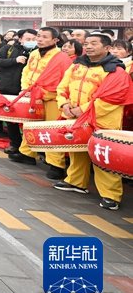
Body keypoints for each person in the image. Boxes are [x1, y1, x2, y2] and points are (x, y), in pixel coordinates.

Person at [54, 33, 133, 210]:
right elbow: (62, 87)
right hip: (75, 116)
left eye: (94, 43)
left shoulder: (116, 71)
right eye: (87, 43)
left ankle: (111, 195)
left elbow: (110, 100)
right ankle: (76, 182)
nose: (88, 46)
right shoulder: (76, 65)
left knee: (103, 156)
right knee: (77, 150)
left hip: (102, 122)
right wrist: (64, 104)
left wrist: (80, 110)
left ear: (107, 48)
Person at [7, 27, 73, 179]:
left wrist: (45, 93)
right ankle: (27, 153)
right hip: (32, 95)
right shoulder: (35, 53)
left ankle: (56, 164)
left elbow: (64, 81)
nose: (40, 39)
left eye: (44, 37)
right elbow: (27, 71)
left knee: (51, 130)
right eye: (39, 36)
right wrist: (25, 88)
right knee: (30, 125)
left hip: (51, 97)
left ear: (55, 40)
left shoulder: (62, 58)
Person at [0, 29, 35, 152]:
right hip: (9, 87)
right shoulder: (9, 48)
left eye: (33, 39)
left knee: (29, 119)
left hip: (28, 90)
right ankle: (15, 144)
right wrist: (14, 60)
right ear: (20, 39)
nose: (31, 42)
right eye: (28, 39)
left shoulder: (37, 52)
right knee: (10, 119)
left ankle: (30, 148)